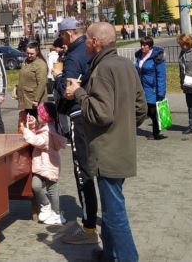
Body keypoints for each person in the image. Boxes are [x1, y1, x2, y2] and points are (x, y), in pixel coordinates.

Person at [64, 22, 147, 262]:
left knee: (114, 213)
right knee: (112, 209)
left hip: (106, 151)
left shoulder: (102, 70)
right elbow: (140, 108)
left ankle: (128, 258)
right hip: (121, 148)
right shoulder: (125, 64)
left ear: (95, 42)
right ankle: (109, 254)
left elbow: (100, 114)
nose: (86, 43)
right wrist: (124, 130)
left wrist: (79, 93)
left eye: (88, 39)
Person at [52, 17, 99, 245]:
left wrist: (58, 74)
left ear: (68, 34)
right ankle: (95, 220)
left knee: (82, 170)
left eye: (62, 36)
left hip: (78, 116)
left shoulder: (73, 55)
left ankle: (89, 227)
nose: (61, 41)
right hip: (94, 114)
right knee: (95, 168)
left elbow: (67, 90)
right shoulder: (91, 51)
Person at [20, 102, 67, 225]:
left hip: (49, 165)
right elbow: (38, 131)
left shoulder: (49, 131)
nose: (37, 115)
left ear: (45, 117)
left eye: (39, 114)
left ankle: (57, 214)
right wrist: (32, 123)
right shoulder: (46, 125)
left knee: (52, 189)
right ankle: (46, 205)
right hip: (41, 164)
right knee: (36, 185)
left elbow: (38, 140)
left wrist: (25, 131)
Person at [135, 36, 167, 140]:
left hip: (153, 89)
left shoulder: (157, 58)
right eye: (141, 45)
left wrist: (161, 92)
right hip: (141, 87)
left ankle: (156, 134)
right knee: (145, 110)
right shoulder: (139, 56)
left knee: (153, 112)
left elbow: (161, 75)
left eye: (145, 45)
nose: (142, 47)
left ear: (150, 46)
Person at [17, 41, 48, 127]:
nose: (29, 55)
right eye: (27, 53)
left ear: (37, 52)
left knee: (36, 124)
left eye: (32, 54)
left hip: (34, 100)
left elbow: (42, 83)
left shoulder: (40, 64)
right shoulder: (26, 61)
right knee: (29, 123)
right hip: (27, 98)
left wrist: (36, 99)